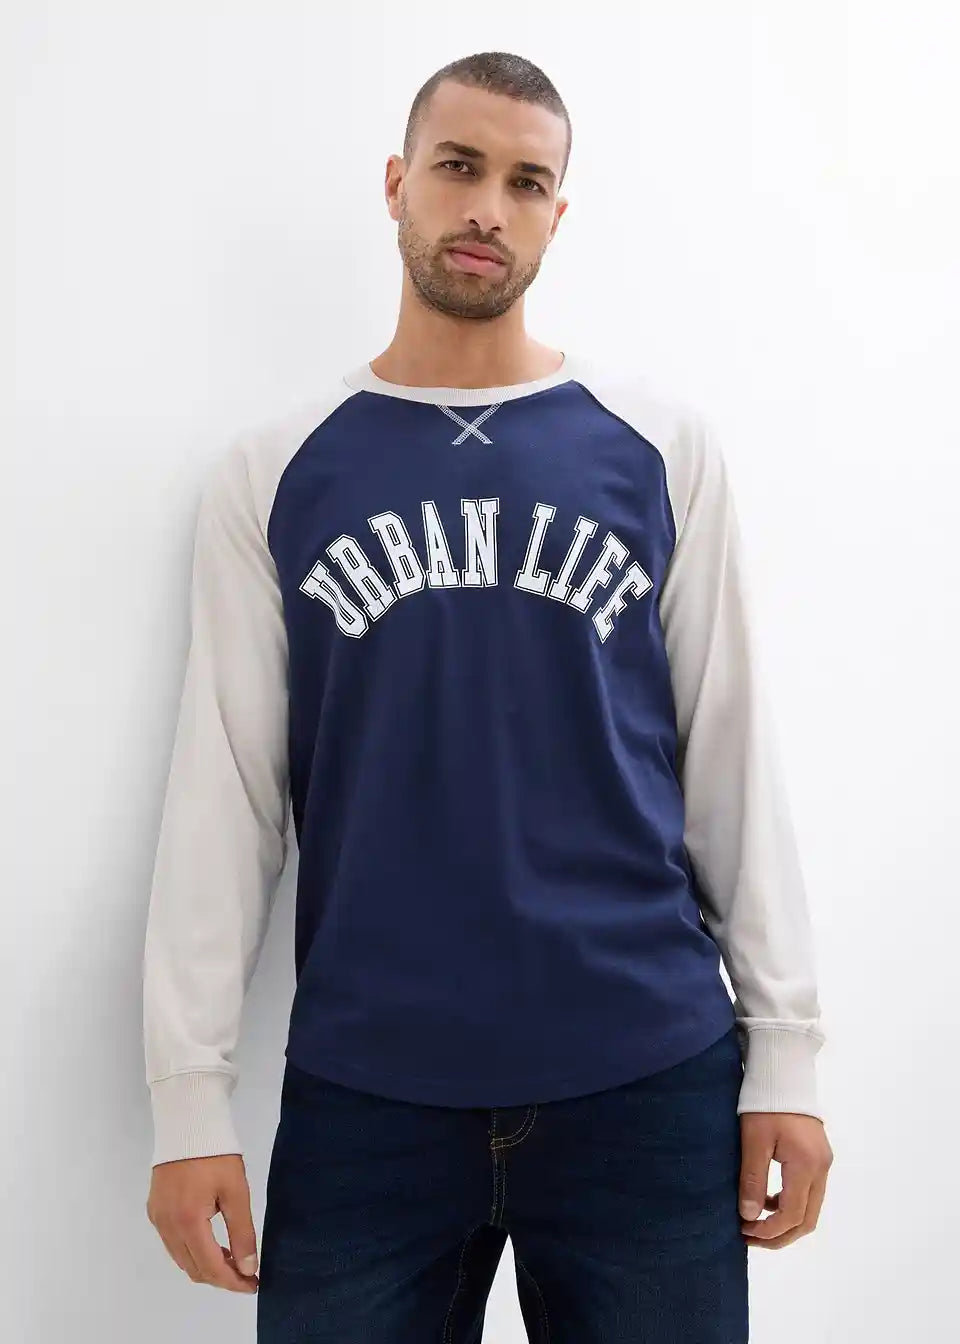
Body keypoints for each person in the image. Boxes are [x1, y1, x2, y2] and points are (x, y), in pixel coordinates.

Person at [142, 49, 833, 1342]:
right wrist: (188, 1100)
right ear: (396, 182)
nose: (487, 209)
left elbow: (729, 755)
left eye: (526, 183)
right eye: (458, 167)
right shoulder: (276, 470)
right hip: (370, 1087)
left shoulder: (658, 448)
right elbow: (226, 795)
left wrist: (785, 1055)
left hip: (644, 1075)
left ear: (558, 214)